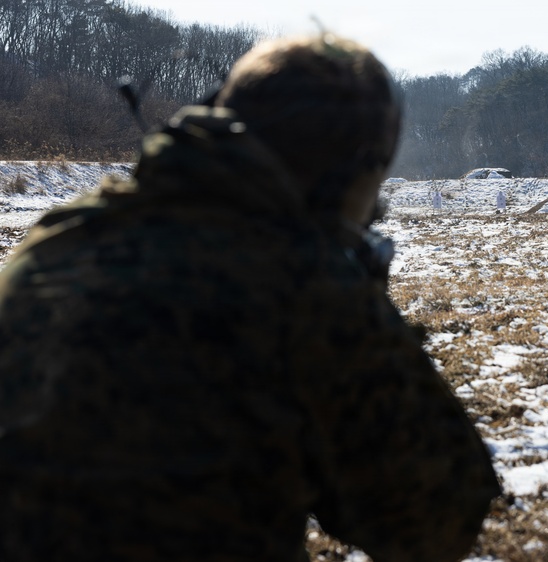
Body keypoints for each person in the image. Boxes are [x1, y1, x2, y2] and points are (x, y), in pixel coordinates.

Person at [0, 34, 501, 562]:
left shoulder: (61, 234)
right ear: (346, 177)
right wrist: (366, 309)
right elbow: (438, 523)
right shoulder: (308, 288)